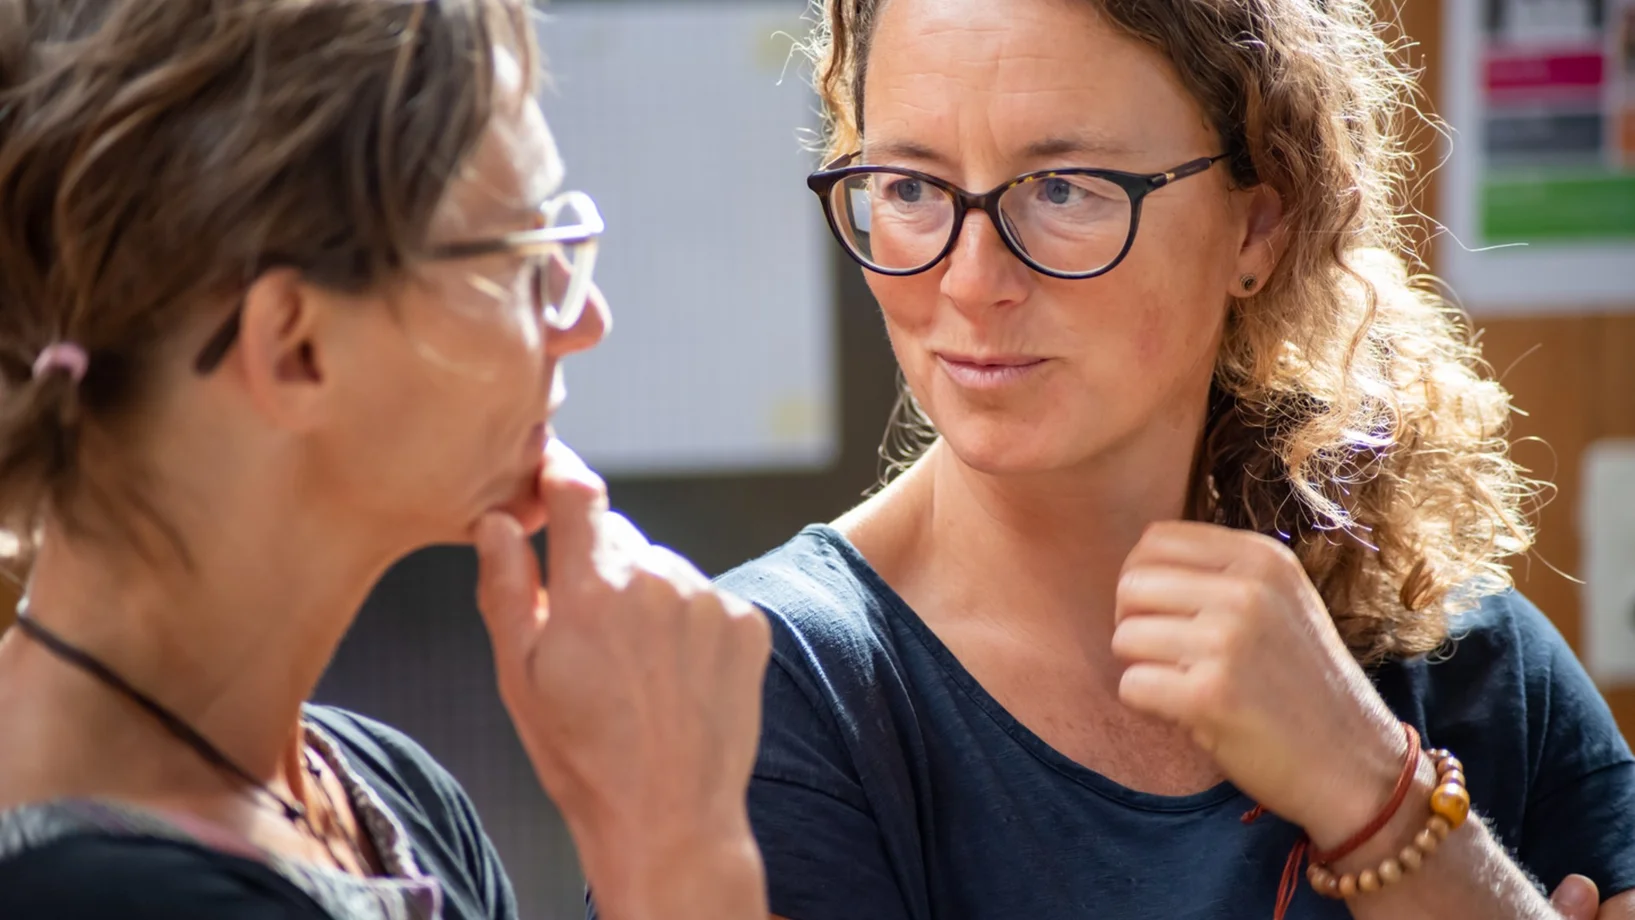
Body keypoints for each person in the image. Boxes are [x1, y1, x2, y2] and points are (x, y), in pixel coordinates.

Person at [715, 0, 1635, 918]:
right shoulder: (769, 687)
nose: (969, 281)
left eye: (1063, 189)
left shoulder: (1453, 647)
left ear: (1257, 225)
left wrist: (1368, 784)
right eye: (910, 189)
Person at [0, 2, 770, 918]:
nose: (586, 320)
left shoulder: (388, 791)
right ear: (297, 348)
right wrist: (677, 839)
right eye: (525, 255)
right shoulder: (80, 894)